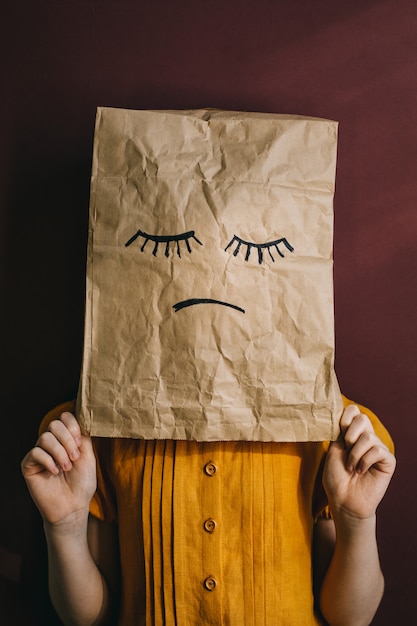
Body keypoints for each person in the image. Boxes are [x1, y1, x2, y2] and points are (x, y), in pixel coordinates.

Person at [22, 396, 395, 626]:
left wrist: (356, 520)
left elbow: (349, 618)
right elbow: (90, 618)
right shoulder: (95, 427)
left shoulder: (334, 429)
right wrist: (65, 527)